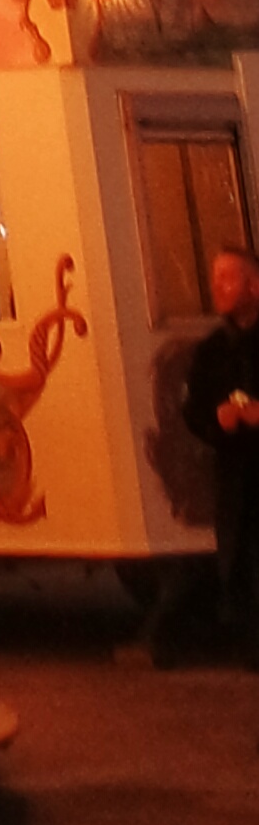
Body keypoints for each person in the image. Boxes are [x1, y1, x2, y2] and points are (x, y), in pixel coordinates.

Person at [176, 245, 259, 661]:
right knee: (240, 558)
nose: (218, 288)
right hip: (236, 475)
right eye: (215, 279)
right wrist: (217, 420)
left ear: (254, 285)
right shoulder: (214, 348)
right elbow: (194, 409)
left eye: (228, 278)